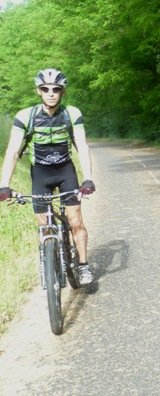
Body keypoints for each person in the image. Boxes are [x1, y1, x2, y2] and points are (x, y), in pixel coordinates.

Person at [0, 68, 96, 285]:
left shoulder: (72, 113)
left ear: (62, 92)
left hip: (65, 172)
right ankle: (47, 260)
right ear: (38, 91)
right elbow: (13, 151)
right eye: (46, 88)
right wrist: (4, 184)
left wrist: (88, 178)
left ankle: (83, 265)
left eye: (56, 89)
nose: (51, 93)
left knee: (75, 221)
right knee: (44, 226)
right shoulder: (25, 117)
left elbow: (81, 144)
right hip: (40, 174)